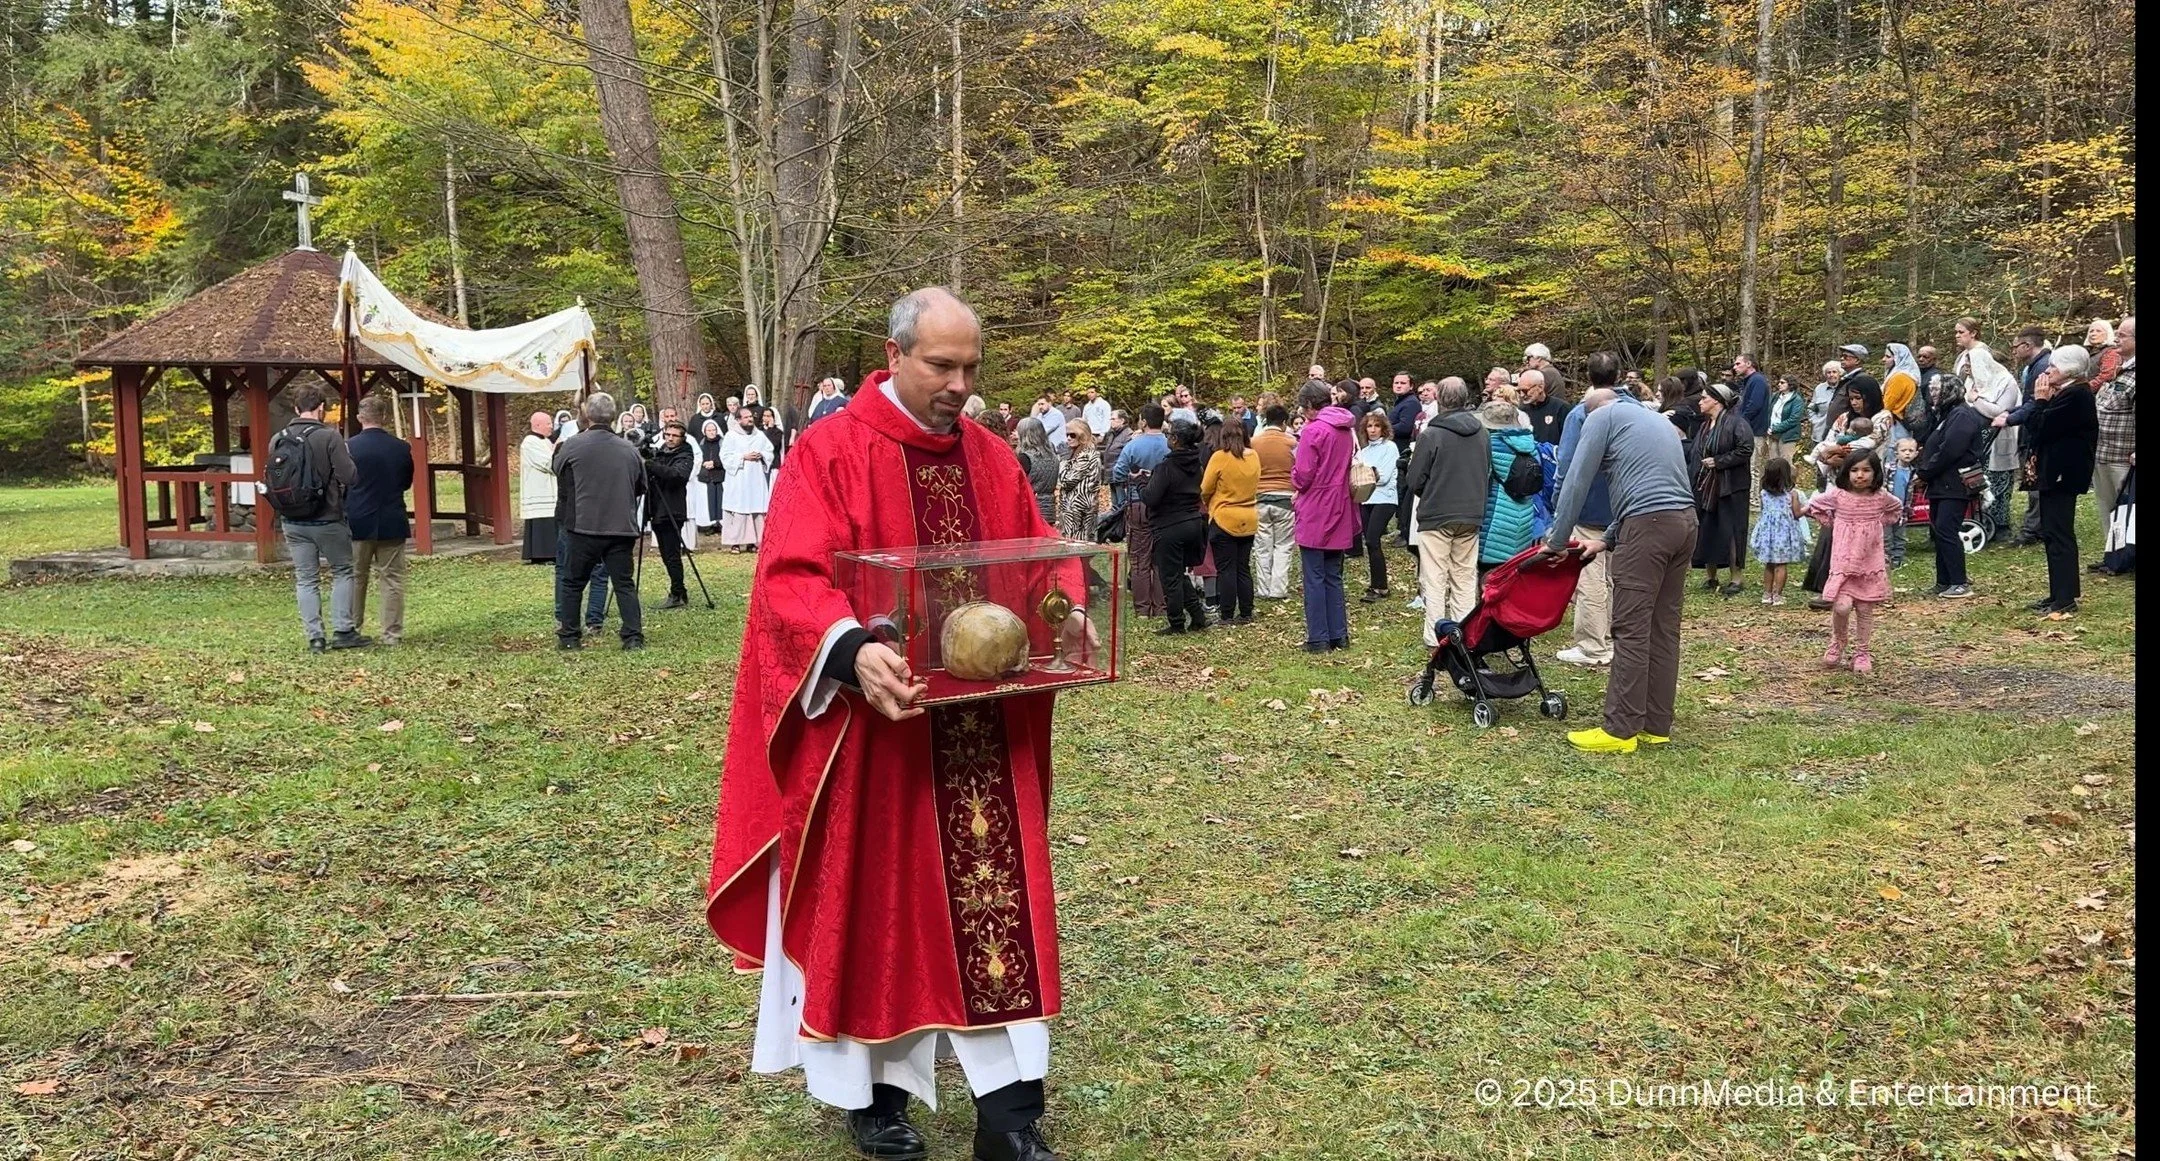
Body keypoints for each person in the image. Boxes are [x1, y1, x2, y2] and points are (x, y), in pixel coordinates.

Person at [706, 288, 1077, 1161]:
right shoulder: (830, 452)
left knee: (1001, 912)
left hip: (982, 734)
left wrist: (1068, 600)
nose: (959, 385)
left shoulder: (990, 457)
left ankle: (1011, 1118)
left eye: (970, 368)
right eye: (941, 366)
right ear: (895, 353)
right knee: (876, 909)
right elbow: (790, 579)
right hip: (879, 739)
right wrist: (848, 649)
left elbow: (1037, 548)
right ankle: (872, 1102)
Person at [1540, 386, 1696, 753]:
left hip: (1649, 528)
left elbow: (1576, 479)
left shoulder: (1599, 417)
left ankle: (1620, 729)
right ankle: (1656, 724)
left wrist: (1557, 540)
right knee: (1663, 626)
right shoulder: (1653, 419)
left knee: (1630, 627)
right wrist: (1608, 539)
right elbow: (1655, 490)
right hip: (1683, 523)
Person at [1994, 344, 2099, 614]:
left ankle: (2065, 598)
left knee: (2059, 534)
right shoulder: (2066, 393)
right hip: (2054, 471)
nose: (2048, 371)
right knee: (2052, 533)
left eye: (2054, 367)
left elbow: (2041, 429)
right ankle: (2058, 593)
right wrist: (2043, 401)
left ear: (2068, 371)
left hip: (2063, 473)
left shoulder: (2076, 395)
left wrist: (2041, 402)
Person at [276, 386, 367, 653]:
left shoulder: (277, 439)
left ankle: (315, 637)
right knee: (342, 570)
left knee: (306, 578)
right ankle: (343, 630)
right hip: (327, 517)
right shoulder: (329, 436)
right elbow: (350, 476)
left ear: (296, 409)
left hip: (292, 520)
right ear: (321, 409)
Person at [553, 392, 645, 650]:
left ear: (587, 415)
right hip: (621, 527)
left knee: (572, 582)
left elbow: (557, 470)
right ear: (614, 416)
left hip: (583, 525)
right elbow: (640, 486)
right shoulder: (629, 449)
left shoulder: (572, 445)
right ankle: (633, 637)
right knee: (624, 583)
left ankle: (570, 637)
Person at [1552, 354, 1629, 666]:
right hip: (1623, 504)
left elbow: (1567, 465)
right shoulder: (1632, 410)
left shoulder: (1581, 414)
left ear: (1587, 375)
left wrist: (1559, 502)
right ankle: (1611, 635)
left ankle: (1591, 645)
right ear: (1619, 374)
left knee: (1590, 578)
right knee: (1614, 575)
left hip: (1590, 505)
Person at [1404, 377, 1489, 640]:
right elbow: (1486, 471)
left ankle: (1435, 634)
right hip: (1472, 512)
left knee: (1435, 577)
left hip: (1436, 514)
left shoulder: (1431, 434)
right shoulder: (1482, 432)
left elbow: (1414, 479)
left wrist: (1429, 492)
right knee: (1464, 576)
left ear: (1439, 399)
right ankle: (1464, 633)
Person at [1804, 449, 1903, 674]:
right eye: (1855, 470)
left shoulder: (1881, 497)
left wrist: (1878, 523)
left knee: (1865, 608)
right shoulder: (1839, 496)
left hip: (1869, 562)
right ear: (1846, 473)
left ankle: (1862, 652)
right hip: (1844, 562)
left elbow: (1896, 509)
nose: (1860, 475)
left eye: (1866, 470)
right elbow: (1815, 506)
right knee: (1842, 605)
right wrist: (1830, 522)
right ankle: (1838, 641)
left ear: (1875, 473)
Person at [1291, 379, 1357, 651]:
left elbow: (1304, 474)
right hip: (1340, 502)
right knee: (1333, 574)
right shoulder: (1344, 429)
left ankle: (1318, 636)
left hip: (1317, 503)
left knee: (1314, 575)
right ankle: (1338, 633)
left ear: (1308, 405)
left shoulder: (1313, 430)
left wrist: (1293, 476)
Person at [345, 394, 414, 646]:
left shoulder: (348, 447)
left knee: (355, 576)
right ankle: (391, 633)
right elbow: (406, 482)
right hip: (392, 518)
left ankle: (352, 628)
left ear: (359, 418)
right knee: (392, 578)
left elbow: (342, 482)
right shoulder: (401, 447)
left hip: (357, 519)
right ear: (384, 417)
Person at [1913, 373, 1988, 598]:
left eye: (1937, 390)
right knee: (1939, 529)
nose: (1933, 394)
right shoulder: (1946, 416)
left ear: (1950, 391)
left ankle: (1959, 582)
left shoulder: (1962, 415)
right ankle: (1943, 581)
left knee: (1947, 528)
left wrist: (1925, 472)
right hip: (1941, 483)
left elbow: (1950, 450)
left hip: (1955, 483)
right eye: (1932, 390)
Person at [1952, 317, 2021, 537]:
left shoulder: (2005, 382)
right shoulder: (1974, 380)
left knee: (1999, 480)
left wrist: (1976, 399)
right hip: (1981, 436)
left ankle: (2000, 524)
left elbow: (1997, 410)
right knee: (1981, 480)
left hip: (2000, 435)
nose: (1969, 370)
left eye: (1971, 366)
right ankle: (1982, 520)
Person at [1141, 419, 1210, 634]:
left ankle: (1177, 622)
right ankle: (1197, 616)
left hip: (1169, 525)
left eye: (1170, 434)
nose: (1167, 437)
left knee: (1170, 576)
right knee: (1179, 573)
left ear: (1176, 439)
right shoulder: (1197, 464)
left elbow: (1151, 498)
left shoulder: (1166, 467)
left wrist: (1142, 483)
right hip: (1192, 522)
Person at [1689, 383, 1755, 596]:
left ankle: (1736, 578)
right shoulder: (1704, 425)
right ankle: (1711, 575)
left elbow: (1745, 449)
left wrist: (1719, 461)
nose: (1700, 402)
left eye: (1704, 398)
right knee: (1708, 527)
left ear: (1716, 401)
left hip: (1731, 486)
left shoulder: (1737, 423)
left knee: (1732, 529)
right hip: (1706, 485)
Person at [1111, 406, 1170, 615]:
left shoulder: (1133, 446)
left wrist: (1133, 478)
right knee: (1161, 559)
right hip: (1165, 506)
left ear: (1143, 422)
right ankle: (1162, 607)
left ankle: (1143, 609)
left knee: (1139, 560)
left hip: (1138, 504)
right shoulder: (1170, 445)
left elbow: (1117, 473)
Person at [1201, 420, 1259, 624]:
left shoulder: (1220, 457)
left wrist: (1210, 503)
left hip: (1224, 516)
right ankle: (1246, 612)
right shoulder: (1253, 456)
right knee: (1243, 568)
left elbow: (1206, 488)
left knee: (1226, 569)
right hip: (1249, 516)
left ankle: (1226, 613)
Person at [1478, 400, 1539, 571]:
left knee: (1488, 578)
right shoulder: (1529, 444)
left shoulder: (1490, 444)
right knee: (1511, 574)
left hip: (1495, 519)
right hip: (1525, 518)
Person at [2091, 317, 2135, 550]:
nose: (2116, 338)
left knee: (2129, 508)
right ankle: (2114, 554)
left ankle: (2128, 554)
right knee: (2107, 508)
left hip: (2124, 458)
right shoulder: (2118, 368)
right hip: (2103, 453)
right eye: (2116, 333)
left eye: (2123, 335)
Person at [1247, 404, 1299, 600]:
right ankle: (1278, 589)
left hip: (1259, 498)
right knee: (1284, 546)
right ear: (1284, 422)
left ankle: (1263, 587)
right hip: (1285, 498)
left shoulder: (1254, 442)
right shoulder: (1292, 443)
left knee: (1262, 546)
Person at [2006, 326, 2053, 545]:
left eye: (2015, 346)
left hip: (2036, 432)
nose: (2013, 351)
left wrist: (2010, 419)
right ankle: (2040, 527)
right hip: (2032, 429)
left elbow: (2036, 403)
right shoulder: (2036, 365)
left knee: (2035, 481)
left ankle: (2032, 530)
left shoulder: (2043, 367)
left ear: (2027, 345)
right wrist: (2011, 412)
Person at [645, 420, 695, 608]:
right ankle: (678, 590)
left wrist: (650, 465)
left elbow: (677, 476)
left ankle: (677, 593)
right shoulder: (660, 452)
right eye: (668, 435)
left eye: (675, 435)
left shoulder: (686, 454)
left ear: (682, 438)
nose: (670, 439)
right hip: (657, 507)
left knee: (672, 553)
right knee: (666, 554)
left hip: (672, 509)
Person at [1351, 411, 1399, 601]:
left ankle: (1381, 586)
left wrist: (1367, 475)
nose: (1373, 430)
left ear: (1383, 428)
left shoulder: (1390, 447)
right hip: (1366, 499)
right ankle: (1376, 583)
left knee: (1372, 539)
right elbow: (1356, 477)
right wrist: (1367, 476)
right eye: (1369, 426)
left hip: (1385, 499)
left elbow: (1384, 477)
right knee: (1369, 542)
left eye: (1376, 426)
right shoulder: (1363, 452)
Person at [1749, 457, 1805, 606]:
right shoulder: (1792, 494)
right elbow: (1796, 513)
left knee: (1769, 564)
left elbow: (1763, 511)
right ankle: (1778, 595)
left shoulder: (1763, 494)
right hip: (1784, 534)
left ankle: (1766, 594)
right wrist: (1808, 508)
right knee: (1781, 565)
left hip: (1767, 533)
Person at [719, 407, 776, 552]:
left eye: (750, 417)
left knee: (755, 508)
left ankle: (754, 542)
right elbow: (724, 456)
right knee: (738, 508)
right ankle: (735, 542)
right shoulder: (731, 436)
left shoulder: (760, 435)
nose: (749, 419)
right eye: (746, 417)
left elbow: (769, 451)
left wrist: (761, 455)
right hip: (739, 478)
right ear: (738, 420)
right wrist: (743, 457)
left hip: (755, 478)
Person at [520, 411, 561, 565]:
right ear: (537, 425)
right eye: (548, 423)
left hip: (548, 488)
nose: (551, 426)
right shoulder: (530, 442)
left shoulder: (544, 440)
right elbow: (546, 462)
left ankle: (551, 553)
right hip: (539, 489)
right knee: (541, 521)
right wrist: (558, 453)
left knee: (550, 520)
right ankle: (541, 554)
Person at [1055, 424, 1103, 540]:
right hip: (1078, 508)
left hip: (1078, 509)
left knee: (1078, 546)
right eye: (1067, 435)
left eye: (1072, 435)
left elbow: (1066, 480)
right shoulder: (1078, 453)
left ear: (1082, 435)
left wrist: (1063, 460)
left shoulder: (1085, 455)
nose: (1068, 438)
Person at [1014, 416, 1060, 524]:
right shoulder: (1053, 456)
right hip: (1049, 509)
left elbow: (1017, 486)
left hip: (1031, 509)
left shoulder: (1024, 458)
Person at [1732, 353, 1770, 481]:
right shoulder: (1747, 382)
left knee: (1754, 468)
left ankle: (1754, 500)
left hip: (1755, 431)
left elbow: (1754, 405)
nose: (1734, 367)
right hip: (1748, 431)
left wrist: (1740, 423)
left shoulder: (1757, 380)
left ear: (1749, 364)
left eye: (1738, 364)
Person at [1879, 342, 1924, 443]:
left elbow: (1886, 405)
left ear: (1898, 358)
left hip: (1894, 425)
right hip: (1903, 424)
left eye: (1888, 356)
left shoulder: (1899, 378)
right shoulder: (1909, 375)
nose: (1883, 359)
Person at [1518, 368, 1569, 447]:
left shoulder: (1561, 408)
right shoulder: (1521, 411)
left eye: (1525, 391)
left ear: (1540, 387)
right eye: (1519, 391)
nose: (1522, 395)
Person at [694, 417, 727, 534]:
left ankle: (722, 523)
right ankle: (711, 523)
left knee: (721, 500)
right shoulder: (701, 444)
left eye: (713, 430)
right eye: (709, 430)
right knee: (709, 501)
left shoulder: (722, 442)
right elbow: (698, 457)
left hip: (720, 474)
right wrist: (704, 463)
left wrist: (715, 463)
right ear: (705, 431)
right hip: (706, 476)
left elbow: (726, 457)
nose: (712, 432)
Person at [1767, 374, 1807, 467]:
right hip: (1773, 433)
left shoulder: (1797, 400)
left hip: (1788, 435)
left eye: (1782, 382)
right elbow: (1769, 411)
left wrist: (1776, 428)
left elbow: (1794, 419)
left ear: (1790, 384)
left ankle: (1788, 482)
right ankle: (1774, 482)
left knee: (1785, 464)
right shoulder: (1776, 396)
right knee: (1773, 463)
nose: (1779, 384)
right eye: (1779, 382)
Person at [1809, 360, 1843, 444]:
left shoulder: (1845, 387)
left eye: (1834, 372)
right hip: (1820, 433)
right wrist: (1815, 421)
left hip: (1839, 435)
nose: (1831, 375)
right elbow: (1811, 408)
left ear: (1839, 373)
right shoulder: (1819, 388)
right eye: (1828, 372)